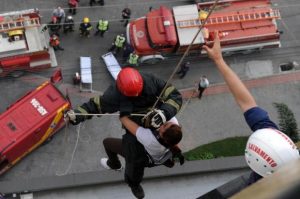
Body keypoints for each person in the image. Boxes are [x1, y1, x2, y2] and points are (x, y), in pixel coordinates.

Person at [203, 31, 299, 184]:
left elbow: (246, 103)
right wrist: (218, 59)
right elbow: (247, 103)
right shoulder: (272, 142)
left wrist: (219, 60)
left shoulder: (257, 186)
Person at [66, 67, 182, 130]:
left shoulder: (151, 81)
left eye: (138, 93)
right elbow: (95, 106)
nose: (136, 96)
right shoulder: (113, 95)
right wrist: (78, 114)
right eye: (133, 95)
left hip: (159, 112)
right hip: (135, 124)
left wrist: (165, 113)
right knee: (131, 147)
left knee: (174, 131)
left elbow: (174, 96)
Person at [101, 115, 184, 198]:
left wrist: (124, 109)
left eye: (164, 126)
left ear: (162, 135)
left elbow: (125, 120)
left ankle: (116, 166)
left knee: (108, 143)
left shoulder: (150, 140)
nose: (165, 122)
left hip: (142, 154)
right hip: (158, 155)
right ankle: (167, 162)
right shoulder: (173, 124)